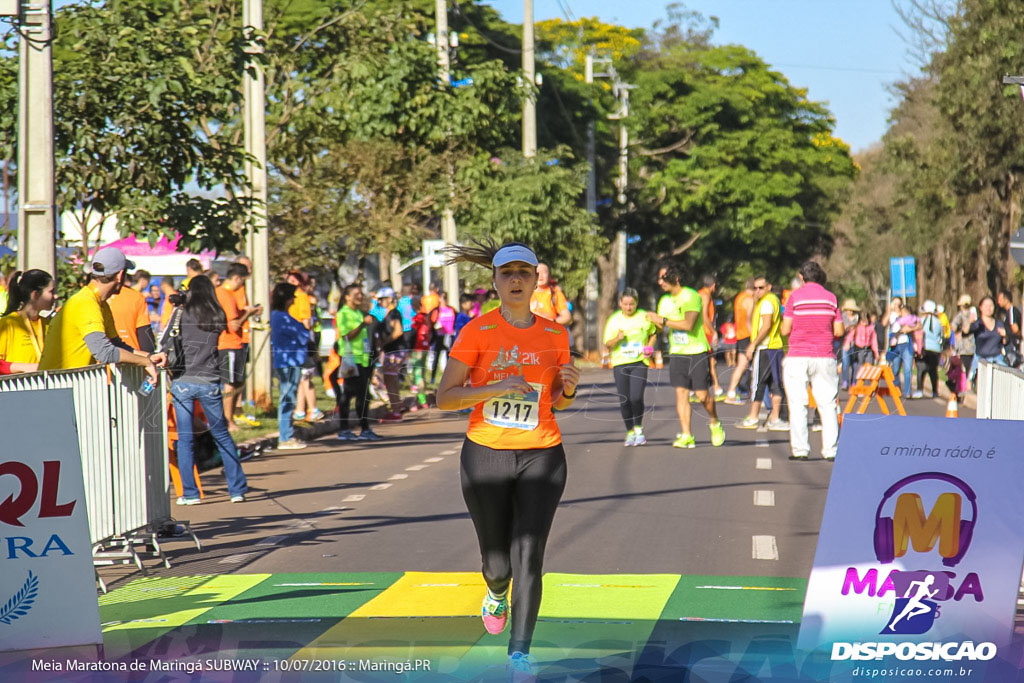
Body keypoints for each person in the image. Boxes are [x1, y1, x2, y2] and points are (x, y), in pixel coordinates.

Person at [436, 240, 578, 678]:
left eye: (524, 272)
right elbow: (444, 398)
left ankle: (520, 653)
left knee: (529, 556)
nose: (515, 280)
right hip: (486, 454)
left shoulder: (556, 334)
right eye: (506, 273)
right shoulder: (477, 331)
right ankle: (495, 590)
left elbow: (558, 401)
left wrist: (569, 388)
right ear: (494, 281)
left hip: (543, 455)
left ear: (538, 279)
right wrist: (494, 388)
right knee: (498, 564)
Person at [167, 275, 249, 504]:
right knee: (221, 434)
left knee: (184, 439)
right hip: (210, 380)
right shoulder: (216, 314)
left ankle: (190, 493)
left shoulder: (182, 314)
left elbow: (169, 339)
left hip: (183, 381)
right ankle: (237, 489)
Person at [39, 248, 165, 381]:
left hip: (64, 386)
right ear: (120, 275)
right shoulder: (86, 302)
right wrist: (144, 362)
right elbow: (104, 352)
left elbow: (116, 345)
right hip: (56, 388)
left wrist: (149, 357)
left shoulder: (99, 303)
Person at [647, 263, 725, 448]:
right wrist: (650, 338)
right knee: (681, 394)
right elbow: (659, 327)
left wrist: (663, 320)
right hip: (677, 353)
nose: (660, 282)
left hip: (696, 351)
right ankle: (686, 434)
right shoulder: (664, 301)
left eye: (663, 278)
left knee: (702, 395)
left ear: (675, 278)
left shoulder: (691, 296)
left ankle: (714, 421)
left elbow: (689, 324)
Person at [779, 261, 844, 461]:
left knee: (797, 404)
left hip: (798, 356)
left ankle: (800, 450)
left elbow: (785, 329)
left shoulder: (794, 298)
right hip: (824, 356)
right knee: (828, 405)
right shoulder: (831, 298)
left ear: (801, 277)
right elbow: (839, 331)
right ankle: (831, 450)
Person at [604, 288, 657, 446]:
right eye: (625, 304)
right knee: (625, 400)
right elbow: (607, 344)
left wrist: (649, 346)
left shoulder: (644, 317)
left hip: (639, 362)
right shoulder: (614, 320)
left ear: (636, 304)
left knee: (636, 397)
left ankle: (639, 429)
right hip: (620, 363)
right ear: (620, 303)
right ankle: (629, 431)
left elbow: (653, 333)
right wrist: (617, 338)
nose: (628, 307)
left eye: (631, 304)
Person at [737, 277, 787, 431]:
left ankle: (753, 417)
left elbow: (766, 326)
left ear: (769, 286)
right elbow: (750, 322)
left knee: (758, 383)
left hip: (765, 348)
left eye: (761, 287)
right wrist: (753, 302)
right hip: (776, 347)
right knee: (775, 383)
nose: (757, 291)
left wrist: (753, 344)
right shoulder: (769, 301)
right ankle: (775, 418)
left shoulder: (767, 302)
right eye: (755, 288)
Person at [216, 263, 260, 433]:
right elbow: (233, 325)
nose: (242, 286)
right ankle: (228, 421)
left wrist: (247, 311)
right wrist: (247, 314)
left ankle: (231, 417)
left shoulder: (227, 294)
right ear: (236, 278)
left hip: (235, 342)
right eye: (242, 282)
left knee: (237, 383)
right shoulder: (225, 294)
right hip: (228, 343)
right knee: (229, 384)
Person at [335, 283, 380, 441]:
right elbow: (347, 336)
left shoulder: (358, 312)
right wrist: (362, 325)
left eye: (361, 294)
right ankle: (344, 429)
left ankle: (364, 428)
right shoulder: (344, 313)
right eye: (356, 294)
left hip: (364, 358)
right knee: (347, 394)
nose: (360, 297)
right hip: (350, 359)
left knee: (364, 394)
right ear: (347, 297)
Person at [269, 282, 309, 450]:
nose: (294, 299)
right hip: (288, 361)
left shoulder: (281, 316)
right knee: (287, 398)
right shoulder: (282, 318)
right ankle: (285, 436)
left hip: (290, 360)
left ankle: (288, 433)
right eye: (292, 296)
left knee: (289, 397)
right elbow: (303, 335)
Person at [0, 269, 56, 374]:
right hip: (17, 388)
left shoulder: (48, 324)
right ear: (35, 295)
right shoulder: (7, 324)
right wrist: (25, 367)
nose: (56, 296)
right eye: (51, 292)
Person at [287, 271, 321, 422]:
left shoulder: (302, 298)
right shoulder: (291, 298)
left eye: (294, 281)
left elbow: (306, 323)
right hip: (293, 341)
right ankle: (300, 410)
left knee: (306, 377)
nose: (291, 283)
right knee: (301, 378)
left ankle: (313, 409)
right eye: (289, 281)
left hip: (302, 342)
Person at [371, 286, 407, 421]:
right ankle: (397, 407)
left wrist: (384, 342)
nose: (379, 302)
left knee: (390, 380)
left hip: (394, 351)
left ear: (390, 299)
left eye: (382, 299)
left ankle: (396, 410)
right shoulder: (389, 313)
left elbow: (398, 331)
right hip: (393, 350)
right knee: (391, 379)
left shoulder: (394, 313)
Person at [107, 266, 156, 354]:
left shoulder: (91, 297)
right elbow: (145, 339)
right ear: (121, 274)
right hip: (130, 356)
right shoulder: (136, 297)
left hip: (99, 360)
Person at [724, 279, 755, 404]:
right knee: (748, 365)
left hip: (740, 335)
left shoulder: (739, 297)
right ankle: (758, 395)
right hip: (747, 335)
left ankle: (731, 393)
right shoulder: (749, 299)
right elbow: (749, 320)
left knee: (741, 365)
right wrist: (754, 337)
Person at [697, 275, 724, 398]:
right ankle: (713, 387)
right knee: (709, 361)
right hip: (705, 332)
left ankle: (716, 386)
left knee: (711, 360)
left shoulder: (700, 294)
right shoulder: (705, 295)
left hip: (703, 331)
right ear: (713, 285)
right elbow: (704, 316)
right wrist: (714, 332)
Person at [963, 295, 1009, 367]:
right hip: (980, 360)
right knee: (971, 377)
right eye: (986, 306)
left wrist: (1005, 335)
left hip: (997, 359)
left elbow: (1005, 342)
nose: (988, 308)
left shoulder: (1000, 323)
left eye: (991, 305)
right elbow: (965, 332)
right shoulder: (977, 323)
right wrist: (969, 322)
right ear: (980, 307)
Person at [887, 303, 920, 395]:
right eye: (902, 312)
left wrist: (909, 328)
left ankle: (908, 392)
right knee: (895, 369)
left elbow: (919, 326)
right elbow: (893, 330)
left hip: (907, 346)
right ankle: (896, 389)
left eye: (905, 312)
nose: (903, 313)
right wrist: (902, 330)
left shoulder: (913, 320)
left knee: (907, 369)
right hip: (897, 346)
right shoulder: (897, 320)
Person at [843, 306, 879, 385]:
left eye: (866, 321)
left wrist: (876, 353)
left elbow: (874, 341)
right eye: (863, 321)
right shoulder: (857, 328)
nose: (864, 323)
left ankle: (870, 385)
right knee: (859, 367)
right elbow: (850, 337)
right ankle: (857, 383)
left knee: (869, 367)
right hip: (859, 349)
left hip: (868, 349)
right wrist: (847, 344)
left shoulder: (871, 328)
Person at [429, 290, 457, 384]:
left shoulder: (451, 309)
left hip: (449, 335)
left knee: (449, 357)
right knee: (436, 356)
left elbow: (455, 320)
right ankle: (432, 377)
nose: (444, 299)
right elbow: (431, 321)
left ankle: (449, 378)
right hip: (439, 336)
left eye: (445, 297)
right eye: (442, 297)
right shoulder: (436, 310)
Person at [917, 300, 943, 398]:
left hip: (924, 348)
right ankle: (934, 391)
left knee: (921, 370)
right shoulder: (938, 322)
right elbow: (940, 336)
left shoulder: (921, 320)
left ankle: (919, 390)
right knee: (933, 371)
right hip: (935, 349)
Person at [409, 296, 431, 410]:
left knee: (418, 375)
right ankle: (418, 399)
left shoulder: (417, 318)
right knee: (421, 373)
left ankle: (421, 400)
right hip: (425, 348)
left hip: (418, 349)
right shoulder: (426, 317)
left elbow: (413, 334)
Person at [951, 294, 976, 384]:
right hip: (973, 346)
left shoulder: (961, 315)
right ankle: (971, 384)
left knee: (966, 367)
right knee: (972, 367)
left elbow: (953, 327)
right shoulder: (974, 314)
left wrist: (958, 332)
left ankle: (966, 384)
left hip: (964, 347)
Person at [838, 299, 861, 389]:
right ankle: (845, 381)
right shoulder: (842, 317)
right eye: (848, 309)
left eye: (852, 310)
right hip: (845, 343)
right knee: (846, 362)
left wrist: (853, 327)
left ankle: (853, 382)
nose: (850, 312)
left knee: (855, 364)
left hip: (856, 344)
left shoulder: (858, 318)